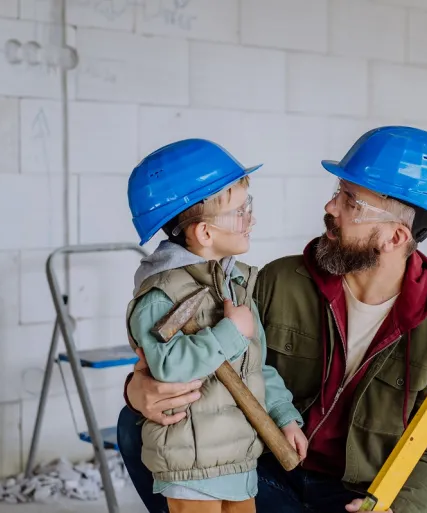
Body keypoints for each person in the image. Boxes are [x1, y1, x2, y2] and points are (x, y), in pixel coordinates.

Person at [119, 126, 427, 513]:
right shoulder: (277, 281)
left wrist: (395, 509)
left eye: (350, 202)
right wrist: (137, 393)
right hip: (265, 469)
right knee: (132, 430)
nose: (330, 208)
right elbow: (205, 364)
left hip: (349, 496)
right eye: (338, 191)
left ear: (396, 237)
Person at [124, 138, 307, 513]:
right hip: (189, 461)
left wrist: (283, 415)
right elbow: (169, 367)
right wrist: (229, 333)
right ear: (205, 233)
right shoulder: (161, 294)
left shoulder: (235, 284)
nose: (250, 219)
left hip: (238, 455)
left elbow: (255, 367)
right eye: (241, 211)